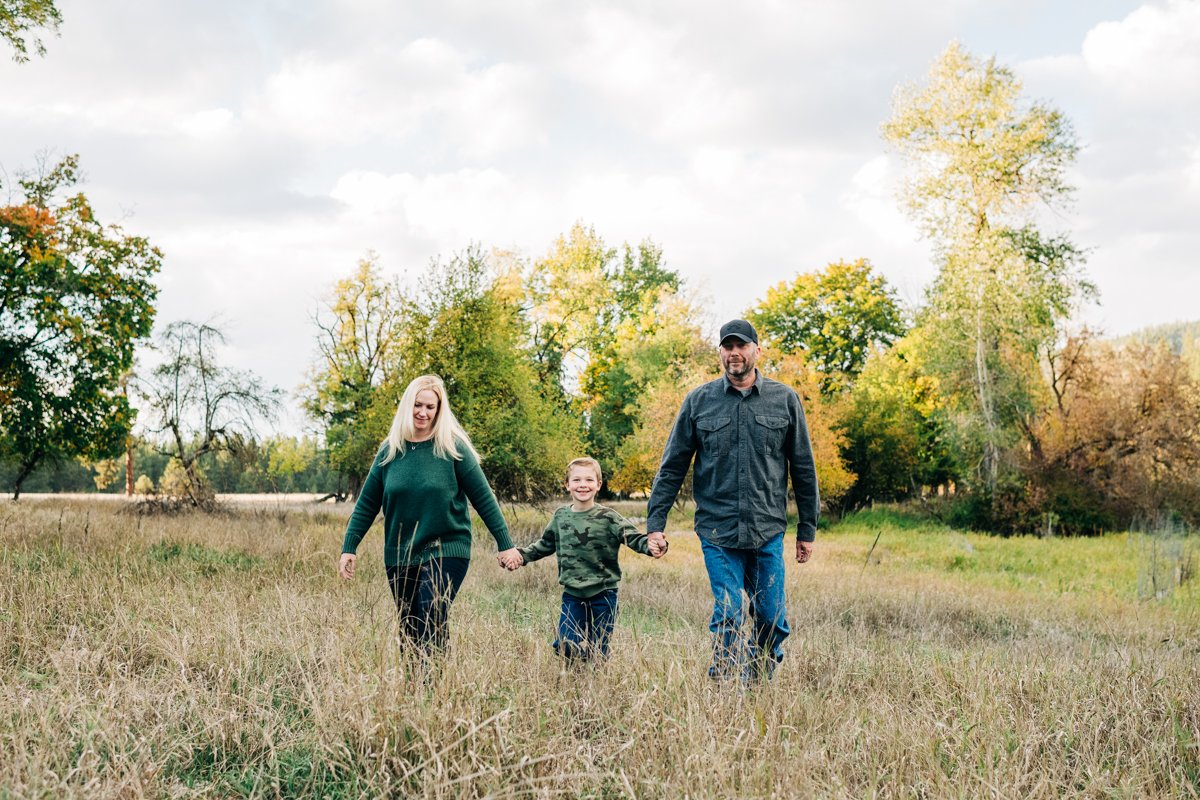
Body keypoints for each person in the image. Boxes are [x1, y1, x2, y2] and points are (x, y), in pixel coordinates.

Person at [645, 319, 819, 682]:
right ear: (720, 352)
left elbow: (803, 467)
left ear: (757, 350)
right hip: (717, 529)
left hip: (766, 528)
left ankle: (757, 679)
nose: (734, 353)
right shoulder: (699, 401)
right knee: (729, 611)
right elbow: (672, 465)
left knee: (771, 617)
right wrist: (655, 525)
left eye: (741, 346)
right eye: (728, 347)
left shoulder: (784, 399)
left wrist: (807, 528)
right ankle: (724, 682)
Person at [338, 374, 521, 655]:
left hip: (446, 547)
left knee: (432, 612)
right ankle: (418, 693)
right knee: (409, 627)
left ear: (439, 410)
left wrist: (505, 544)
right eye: (417, 405)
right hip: (400, 554)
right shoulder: (389, 451)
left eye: (430, 407)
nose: (423, 412)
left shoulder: (452, 448)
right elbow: (366, 504)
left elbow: (484, 498)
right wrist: (349, 547)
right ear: (407, 405)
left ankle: (434, 686)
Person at [499, 457, 665, 663]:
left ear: (598, 485)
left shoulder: (608, 517)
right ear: (567, 485)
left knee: (598, 650)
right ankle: (579, 663)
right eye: (576, 480)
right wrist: (520, 556)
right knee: (565, 645)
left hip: (604, 594)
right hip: (573, 595)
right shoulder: (561, 517)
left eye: (589, 480)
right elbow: (544, 545)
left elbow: (632, 537)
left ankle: (593, 678)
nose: (583, 485)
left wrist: (649, 546)